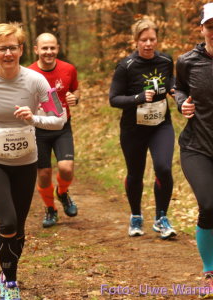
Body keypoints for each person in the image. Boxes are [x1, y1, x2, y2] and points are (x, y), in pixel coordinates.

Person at [0, 23, 64, 300]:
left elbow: (59, 118)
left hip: (25, 161)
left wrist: (34, 119)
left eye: (13, 48)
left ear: (21, 50)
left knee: (17, 227)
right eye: (2, 48)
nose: (8, 53)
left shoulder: (37, 81)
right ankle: (9, 282)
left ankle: (8, 273)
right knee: (7, 222)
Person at [109, 18, 177, 239]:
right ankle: (136, 216)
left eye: (152, 39)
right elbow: (114, 99)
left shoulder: (166, 60)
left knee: (164, 168)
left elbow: (169, 83)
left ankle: (161, 218)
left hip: (160, 125)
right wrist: (138, 98)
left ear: (157, 39)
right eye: (143, 40)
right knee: (135, 174)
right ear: (136, 40)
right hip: (133, 128)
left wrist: (175, 90)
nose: (148, 44)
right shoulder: (126, 66)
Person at [175, 3, 213, 296]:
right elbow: (180, 88)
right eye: (210, 26)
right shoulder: (188, 61)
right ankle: (210, 270)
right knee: (209, 205)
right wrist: (182, 103)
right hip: (196, 146)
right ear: (202, 28)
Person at [28, 33, 80, 228]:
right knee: (43, 174)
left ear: (57, 48)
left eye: (52, 48)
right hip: (38, 128)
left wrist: (75, 98)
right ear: (36, 50)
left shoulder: (68, 69)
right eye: (44, 48)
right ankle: (50, 208)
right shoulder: (28, 73)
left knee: (66, 169)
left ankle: (62, 193)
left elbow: (75, 90)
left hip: (62, 126)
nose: (48, 52)